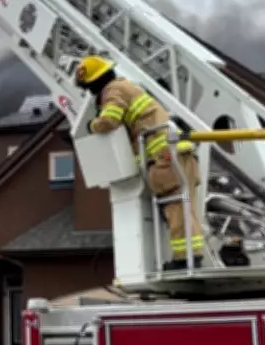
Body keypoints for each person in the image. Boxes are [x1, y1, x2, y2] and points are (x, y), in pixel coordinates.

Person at [75, 55, 204, 270]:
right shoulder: (128, 87)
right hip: (179, 153)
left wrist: (91, 126)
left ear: (94, 82)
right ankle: (191, 257)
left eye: (89, 88)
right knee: (184, 207)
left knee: (175, 207)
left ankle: (185, 260)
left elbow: (109, 121)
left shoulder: (113, 91)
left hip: (165, 158)